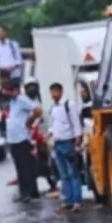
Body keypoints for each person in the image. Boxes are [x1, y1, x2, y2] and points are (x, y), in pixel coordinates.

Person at [48, 82, 84, 212]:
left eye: (56, 92)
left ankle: (77, 201)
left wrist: (77, 142)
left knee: (73, 172)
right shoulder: (53, 107)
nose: (54, 95)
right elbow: (53, 124)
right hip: (57, 143)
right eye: (52, 92)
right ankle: (67, 200)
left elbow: (76, 124)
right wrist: (50, 135)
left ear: (61, 92)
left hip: (68, 142)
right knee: (63, 174)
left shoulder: (69, 105)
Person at [3, 80, 41, 202]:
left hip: (22, 139)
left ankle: (29, 192)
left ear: (16, 90)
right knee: (19, 167)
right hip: (13, 139)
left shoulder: (21, 100)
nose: (6, 93)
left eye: (9, 90)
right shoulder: (12, 102)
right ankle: (25, 191)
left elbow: (37, 110)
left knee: (26, 167)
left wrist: (30, 121)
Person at [24, 78, 57, 195]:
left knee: (45, 163)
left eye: (33, 87)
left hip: (41, 139)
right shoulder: (25, 104)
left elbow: (47, 122)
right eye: (29, 87)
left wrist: (45, 136)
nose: (31, 90)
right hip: (29, 139)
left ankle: (52, 183)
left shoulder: (41, 104)